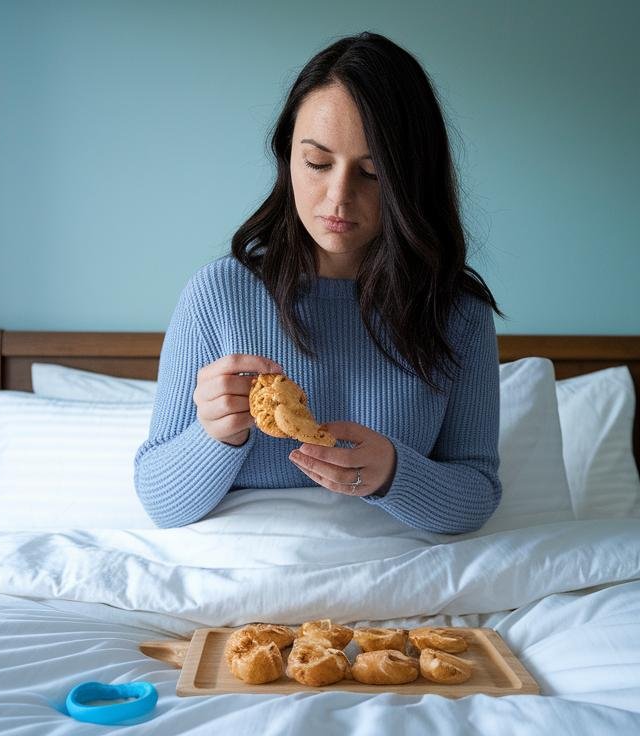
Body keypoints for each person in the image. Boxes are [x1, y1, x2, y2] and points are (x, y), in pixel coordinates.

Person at [134, 32, 503, 534]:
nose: (338, 198)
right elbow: (159, 500)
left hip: (399, 583)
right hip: (245, 588)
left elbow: (477, 494)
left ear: (409, 179)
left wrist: (394, 473)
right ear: (287, 156)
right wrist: (215, 436)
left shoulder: (455, 309)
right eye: (317, 163)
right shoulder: (218, 295)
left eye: (371, 173)